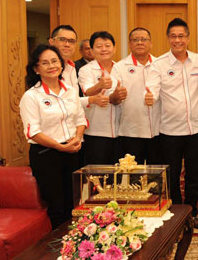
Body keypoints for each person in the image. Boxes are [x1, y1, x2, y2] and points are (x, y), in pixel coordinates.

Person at [145, 18, 198, 229]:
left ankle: (191, 213)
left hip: (196, 128)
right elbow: (152, 89)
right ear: (168, 38)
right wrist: (150, 97)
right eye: (173, 36)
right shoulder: (159, 64)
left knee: (194, 174)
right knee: (171, 176)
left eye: (181, 36)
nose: (177, 40)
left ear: (188, 38)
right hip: (170, 130)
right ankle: (176, 213)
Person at [19, 44, 86, 228]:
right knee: (57, 206)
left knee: (75, 202)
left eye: (55, 61)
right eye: (45, 63)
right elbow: (33, 132)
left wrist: (77, 138)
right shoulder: (31, 96)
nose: (51, 66)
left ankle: (77, 245)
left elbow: (81, 120)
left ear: (61, 64)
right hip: (46, 155)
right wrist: (60, 146)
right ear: (36, 68)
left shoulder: (70, 92)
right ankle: (58, 249)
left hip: (72, 151)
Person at [113, 27, 160, 164]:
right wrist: (116, 95)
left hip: (158, 131)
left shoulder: (160, 64)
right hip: (131, 132)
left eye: (144, 39)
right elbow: (113, 98)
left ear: (150, 43)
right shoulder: (120, 67)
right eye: (135, 40)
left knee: (156, 176)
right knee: (132, 177)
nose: (140, 42)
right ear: (129, 44)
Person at [78, 31, 122, 165]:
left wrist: (117, 96)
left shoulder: (121, 68)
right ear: (91, 50)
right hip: (96, 133)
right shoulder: (86, 70)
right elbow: (87, 92)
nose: (104, 49)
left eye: (107, 45)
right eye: (99, 46)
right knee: (97, 175)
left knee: (119, 175)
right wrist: (100, 85)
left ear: (114, 48)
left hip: (121, 132)